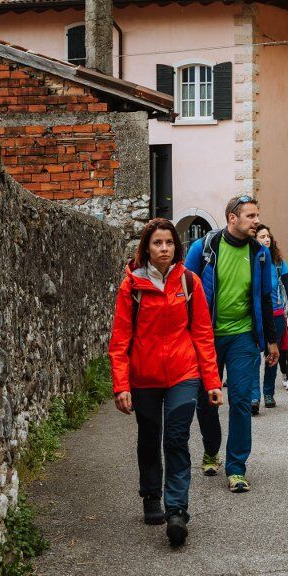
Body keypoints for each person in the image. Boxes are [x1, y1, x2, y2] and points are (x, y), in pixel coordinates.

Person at [108, 218, 222, 547]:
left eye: (169, 243)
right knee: (149, 437)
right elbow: (120, 340)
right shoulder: (131, 286)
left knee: (175, 437)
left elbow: (202, 334)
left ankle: (176, 511)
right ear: (146, 248)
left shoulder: (189, 282)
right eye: (157, 243)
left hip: (183, 374)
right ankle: (150, 496)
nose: (164, 249)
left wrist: (212, 381)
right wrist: (121, 385)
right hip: (144, 376)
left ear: (177, 247)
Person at [185, 196, 278, 494]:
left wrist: (271, 340)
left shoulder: (259, 254)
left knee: (239, 400)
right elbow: (183, 290)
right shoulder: (204, 249)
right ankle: (211, 449)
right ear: (231, 218)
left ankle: (237, 467)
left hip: (243, 336)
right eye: (250, 216)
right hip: (207, 336)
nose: (256, 221)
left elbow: (265, 297)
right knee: (206, 399)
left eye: (257, 215)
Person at [254, 224, 288, 410]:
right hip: (256, 315)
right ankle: (253, 397)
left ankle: (268, 393)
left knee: (273, 354)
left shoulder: (279, 262)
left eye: (268, 236)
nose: (266, 239)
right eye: (262, 236)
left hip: (277, 314)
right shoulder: (251, 260)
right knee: (254, 356)